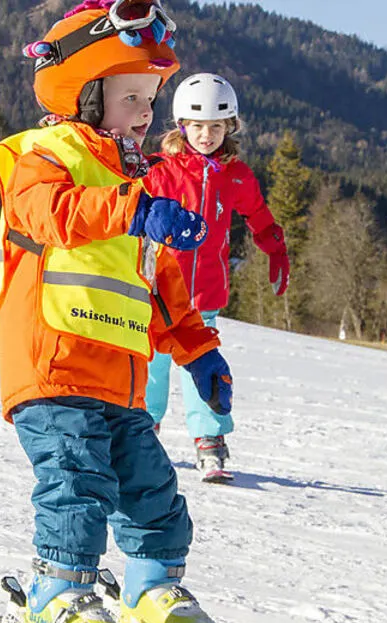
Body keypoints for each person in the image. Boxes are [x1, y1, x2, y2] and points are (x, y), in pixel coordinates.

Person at [0, 0, 228, 623]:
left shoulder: (136, 177)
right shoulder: (47, 154)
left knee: (153, 490)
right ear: (86, 96)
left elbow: (160, 284)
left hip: (118, 376)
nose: (145, 114)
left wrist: (200, 353)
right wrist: (133, 207)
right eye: (130, 98)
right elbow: (46, 213)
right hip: (54, 362)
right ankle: (55, 593)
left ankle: (151, 588)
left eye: (150, 98)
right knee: (75, 480)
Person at [141, 73, 289, 478]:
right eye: (197, 126)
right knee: (150, 365)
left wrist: (274, 246)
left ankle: (210, 441)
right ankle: (142, 433)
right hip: (157, 290)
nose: (206, 136)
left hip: (204, 291)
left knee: (202, 366)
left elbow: (258, 215)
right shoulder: (160, 170)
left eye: (216, 127)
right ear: (181, 126)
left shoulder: (236, 175)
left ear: (230, 127)